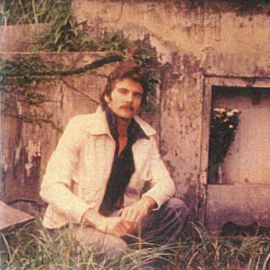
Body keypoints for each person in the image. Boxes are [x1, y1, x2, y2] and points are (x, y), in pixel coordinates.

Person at [40, 61, 189, 266]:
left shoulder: (144, 137)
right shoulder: (81, 128)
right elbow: (50, 188)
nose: (130, 99)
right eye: (123, 91)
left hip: (115, 221)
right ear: (108, 96)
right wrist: (98, 221)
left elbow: (166, 183)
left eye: (137, 95)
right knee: (115, 249)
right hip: (71, 227)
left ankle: (146, 265)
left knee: (175, 208)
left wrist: (144, 204)